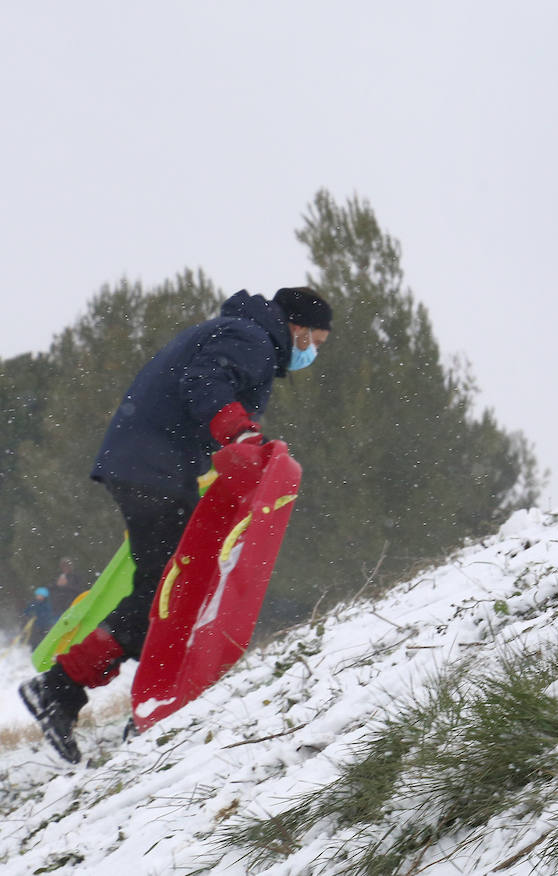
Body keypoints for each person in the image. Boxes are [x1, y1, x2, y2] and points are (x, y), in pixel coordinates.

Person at [19, 286, 332, 763]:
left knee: (165, 587)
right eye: (315, 342)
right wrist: (241, 433)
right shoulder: (251, 338)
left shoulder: (242, 332)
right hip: (152, 468)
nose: (312, 353)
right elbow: (204, 381)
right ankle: (79, 690)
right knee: (171, 590)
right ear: (298, 327)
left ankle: (100, 693)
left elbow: (194, 390)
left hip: (149, 464)